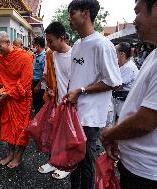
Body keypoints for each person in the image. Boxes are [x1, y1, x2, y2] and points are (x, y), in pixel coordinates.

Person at [65, 1, 122, 188]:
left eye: (72, 13)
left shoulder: (102, 44)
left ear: (85, 14)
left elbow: (113, 81)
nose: (69, 18)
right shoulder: (77, 45)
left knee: (86, 164)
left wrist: (81, 91)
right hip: (73, 114)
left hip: (89, 118)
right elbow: (77, 77)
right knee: (72, 162)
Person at [101, 0, 157, 188]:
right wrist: (120, 135)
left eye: (137, 11)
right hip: (137, 166)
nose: (134, 20)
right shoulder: (153, 55)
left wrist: (110, 134)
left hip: (146, 173)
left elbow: (145, 121)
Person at [0, 31, 33, 168]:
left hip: (21, 99)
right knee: (8, 127)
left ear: (8, 43)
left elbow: (25, 85)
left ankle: (19, 156)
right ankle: (10, 153)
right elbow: (1, 80)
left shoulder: (25, 57)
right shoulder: (0, 59)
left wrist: (8, 93)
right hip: (7, 99)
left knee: (21, 129)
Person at [37, 22, 72, 180]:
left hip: (71, 103)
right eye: (47, 41)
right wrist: (49, 89)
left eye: (51, 41)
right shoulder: (51, 54)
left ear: (62, 38)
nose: (48, 45)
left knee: (67, 136)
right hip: (54, 101)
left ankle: (65, 164)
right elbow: (47, 76)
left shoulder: (75, 55)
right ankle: (53, 161)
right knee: (53, 134)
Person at [112, 42, 139, 120]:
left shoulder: (128, 67)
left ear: (121, 54)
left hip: (125, 102)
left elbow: (116, 86)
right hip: (120, 101)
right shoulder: (123, 66)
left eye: (114, 52)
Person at [32, 36, 46, 114]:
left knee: (39, 105)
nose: (33, 47)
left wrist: (38, 85)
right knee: (36, 103)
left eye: (33, 45)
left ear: (37, 46)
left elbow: (44, 74)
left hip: (39, 84)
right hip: (34, 82)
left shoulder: (44, 56)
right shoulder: (36, 55)